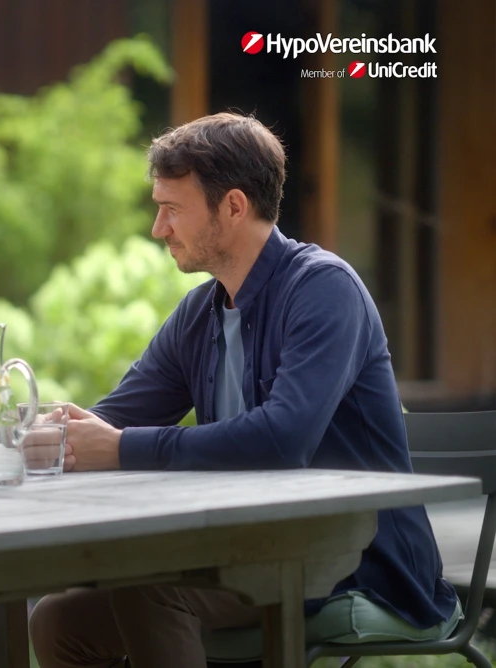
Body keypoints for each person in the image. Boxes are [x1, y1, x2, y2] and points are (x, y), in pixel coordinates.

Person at [28, 113, 460, 668]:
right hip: (247, 551)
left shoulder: (324, 289)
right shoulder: (200, 313)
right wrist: (51, 432)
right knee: (60, 620)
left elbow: (283, 440)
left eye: (172, 209)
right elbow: (112, 418)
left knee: (152, 587)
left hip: (357, 562)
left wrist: (118, 447)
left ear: (233, 207)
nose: (159, 228)